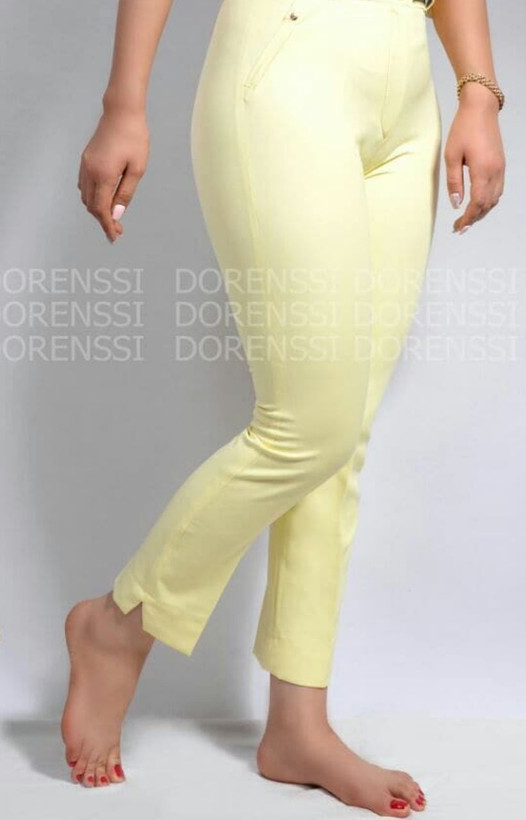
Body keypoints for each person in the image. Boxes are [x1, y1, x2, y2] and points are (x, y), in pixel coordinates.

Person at [61, 0, 505, 814]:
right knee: (308, 427)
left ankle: (298, 726)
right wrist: (124, 104)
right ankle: (118, 624)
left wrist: (478, 91)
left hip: (409, 98)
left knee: (343, 431)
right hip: (287, 66)